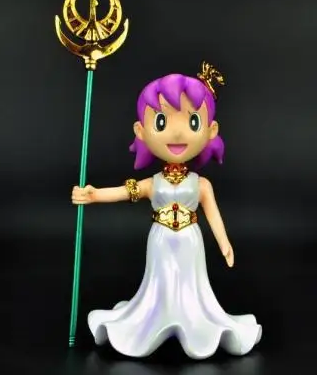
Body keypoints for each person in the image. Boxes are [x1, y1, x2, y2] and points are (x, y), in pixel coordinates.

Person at [71, 63, 262, 359]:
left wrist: (224, 243)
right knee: (159, 283)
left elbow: (213, 215)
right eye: (161, 122)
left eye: (193, 122)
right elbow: (124, 192)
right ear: (141, 131)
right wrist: (94, 195)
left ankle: (194, 322)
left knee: (191, 285)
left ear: (211, 130)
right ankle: (152, 320)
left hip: (190, 241)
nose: (176, 132)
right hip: (160, 241)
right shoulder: (153, 183)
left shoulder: (201, 185)